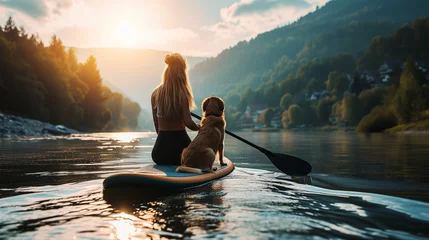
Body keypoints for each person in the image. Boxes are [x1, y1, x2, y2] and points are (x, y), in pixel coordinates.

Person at [151, 53, 200, 165]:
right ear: (182, 72)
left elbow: (156, 124)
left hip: (159, 153)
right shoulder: (182, 93)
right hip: (181, 152)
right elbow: (188, 123)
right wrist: (199, 127)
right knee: (199, 154)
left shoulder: (155, 94)